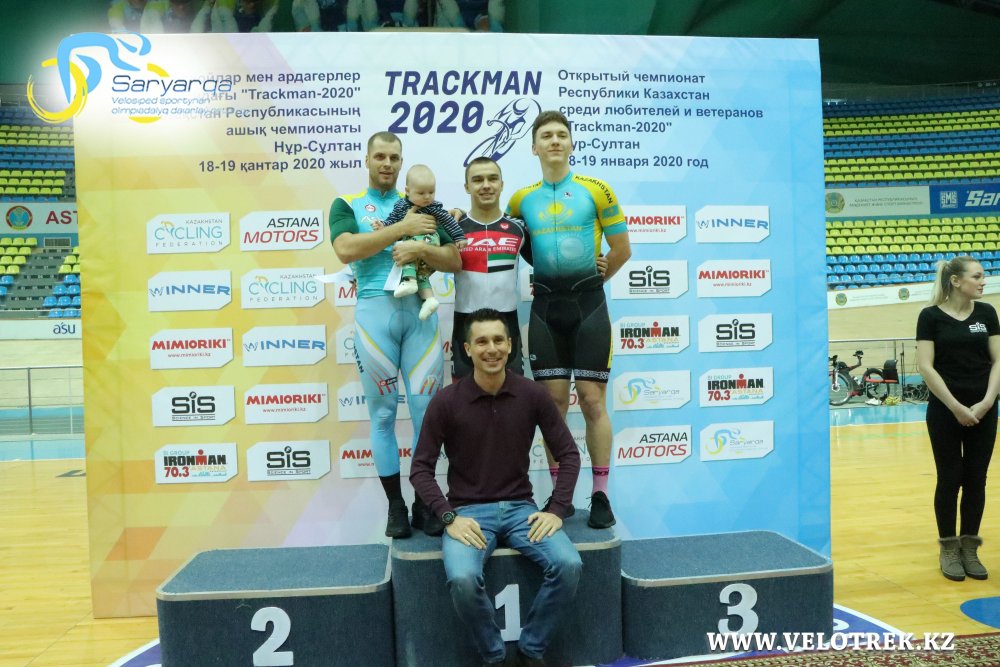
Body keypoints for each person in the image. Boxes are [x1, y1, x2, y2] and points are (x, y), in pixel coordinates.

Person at [410, 308, 582, 667]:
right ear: (467, 349)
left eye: (499, 340)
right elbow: (420, 470)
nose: (492, 349)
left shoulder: (532, 395)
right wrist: (448, 517)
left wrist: (556, 510)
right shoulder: (446, 401)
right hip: (468, 514)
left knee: (568, 564)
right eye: (482, 341)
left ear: (511, 345)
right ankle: (494, 656)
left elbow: (569, 455)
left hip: (521, 510)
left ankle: (531, 650)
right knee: (463, 578)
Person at [329, 131, 462, 538]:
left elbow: (454, 259)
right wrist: (402, 229)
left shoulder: (424, 204)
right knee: (384, 415)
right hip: (375, 316)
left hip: (419, 318)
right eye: (380, 156)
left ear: (401, 162)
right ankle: (395, 507)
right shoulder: (347, 204)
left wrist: (422, 249)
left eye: (394, 157)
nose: (387, 163)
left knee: (427, 417)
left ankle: (424, 503)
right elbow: (346, 249)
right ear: (368, 160)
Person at [506, 110, 631, 528]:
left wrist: (597, 278)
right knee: (553, 405)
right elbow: (512, 245)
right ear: (534, 147)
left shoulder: (597, 190)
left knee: (593, 401)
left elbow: (622, 249)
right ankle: (561, 497)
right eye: (547, 136)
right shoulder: (520, 200)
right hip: (545, 309)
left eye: (562, 134)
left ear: (572, 143)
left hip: (589, 307)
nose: (555, 141)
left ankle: (600, 495)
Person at [916, 256, 1000, 581]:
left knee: (976, 479)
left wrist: (987, 402)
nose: (983, 281)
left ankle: (970, 548)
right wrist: (955, 406)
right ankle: (949, 548)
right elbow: (926, 366)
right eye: (977, 276)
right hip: (945, 411)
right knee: (950, 479)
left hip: (984, 411)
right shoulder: (930, 317)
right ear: (955, 281)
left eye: (983, 276)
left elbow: (998, 361)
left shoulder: (987, 313)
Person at [451, 157, 527, 378]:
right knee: (464, 397)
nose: (486, 185)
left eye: (492, 179)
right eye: (477, 180)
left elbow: (550, 260)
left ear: (501, 185)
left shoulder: (519, 228)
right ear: (467, 187)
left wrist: (595, 261)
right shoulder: (453, 227)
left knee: (513, 396)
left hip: (508, 324)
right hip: (465, 325)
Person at [382, 164, 468, 321]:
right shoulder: (401, 206)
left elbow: (449, 222)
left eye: (431, 192)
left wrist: (459, 237)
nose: (427, 197)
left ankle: (409, 281)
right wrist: (383, 226)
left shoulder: (434, 207)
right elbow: (392, 220)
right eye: (421, 193)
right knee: (422, 274)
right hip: (420, 252)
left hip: (429, 242)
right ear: (407, 191)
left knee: (406, 247)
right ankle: (429, 299)